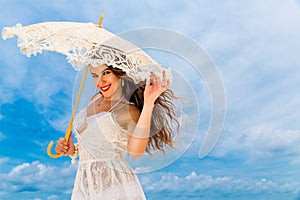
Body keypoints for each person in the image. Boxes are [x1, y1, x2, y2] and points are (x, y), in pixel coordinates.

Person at [55, 63, 179, 199]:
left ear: (119, 73)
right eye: (95, 75)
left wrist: (148, 104)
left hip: (114, 187)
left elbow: (135, 152)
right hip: (85, 187)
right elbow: (97, 145)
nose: (99, 81)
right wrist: (74, 150)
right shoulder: (94, 99)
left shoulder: (128, 110)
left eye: (106, 73)